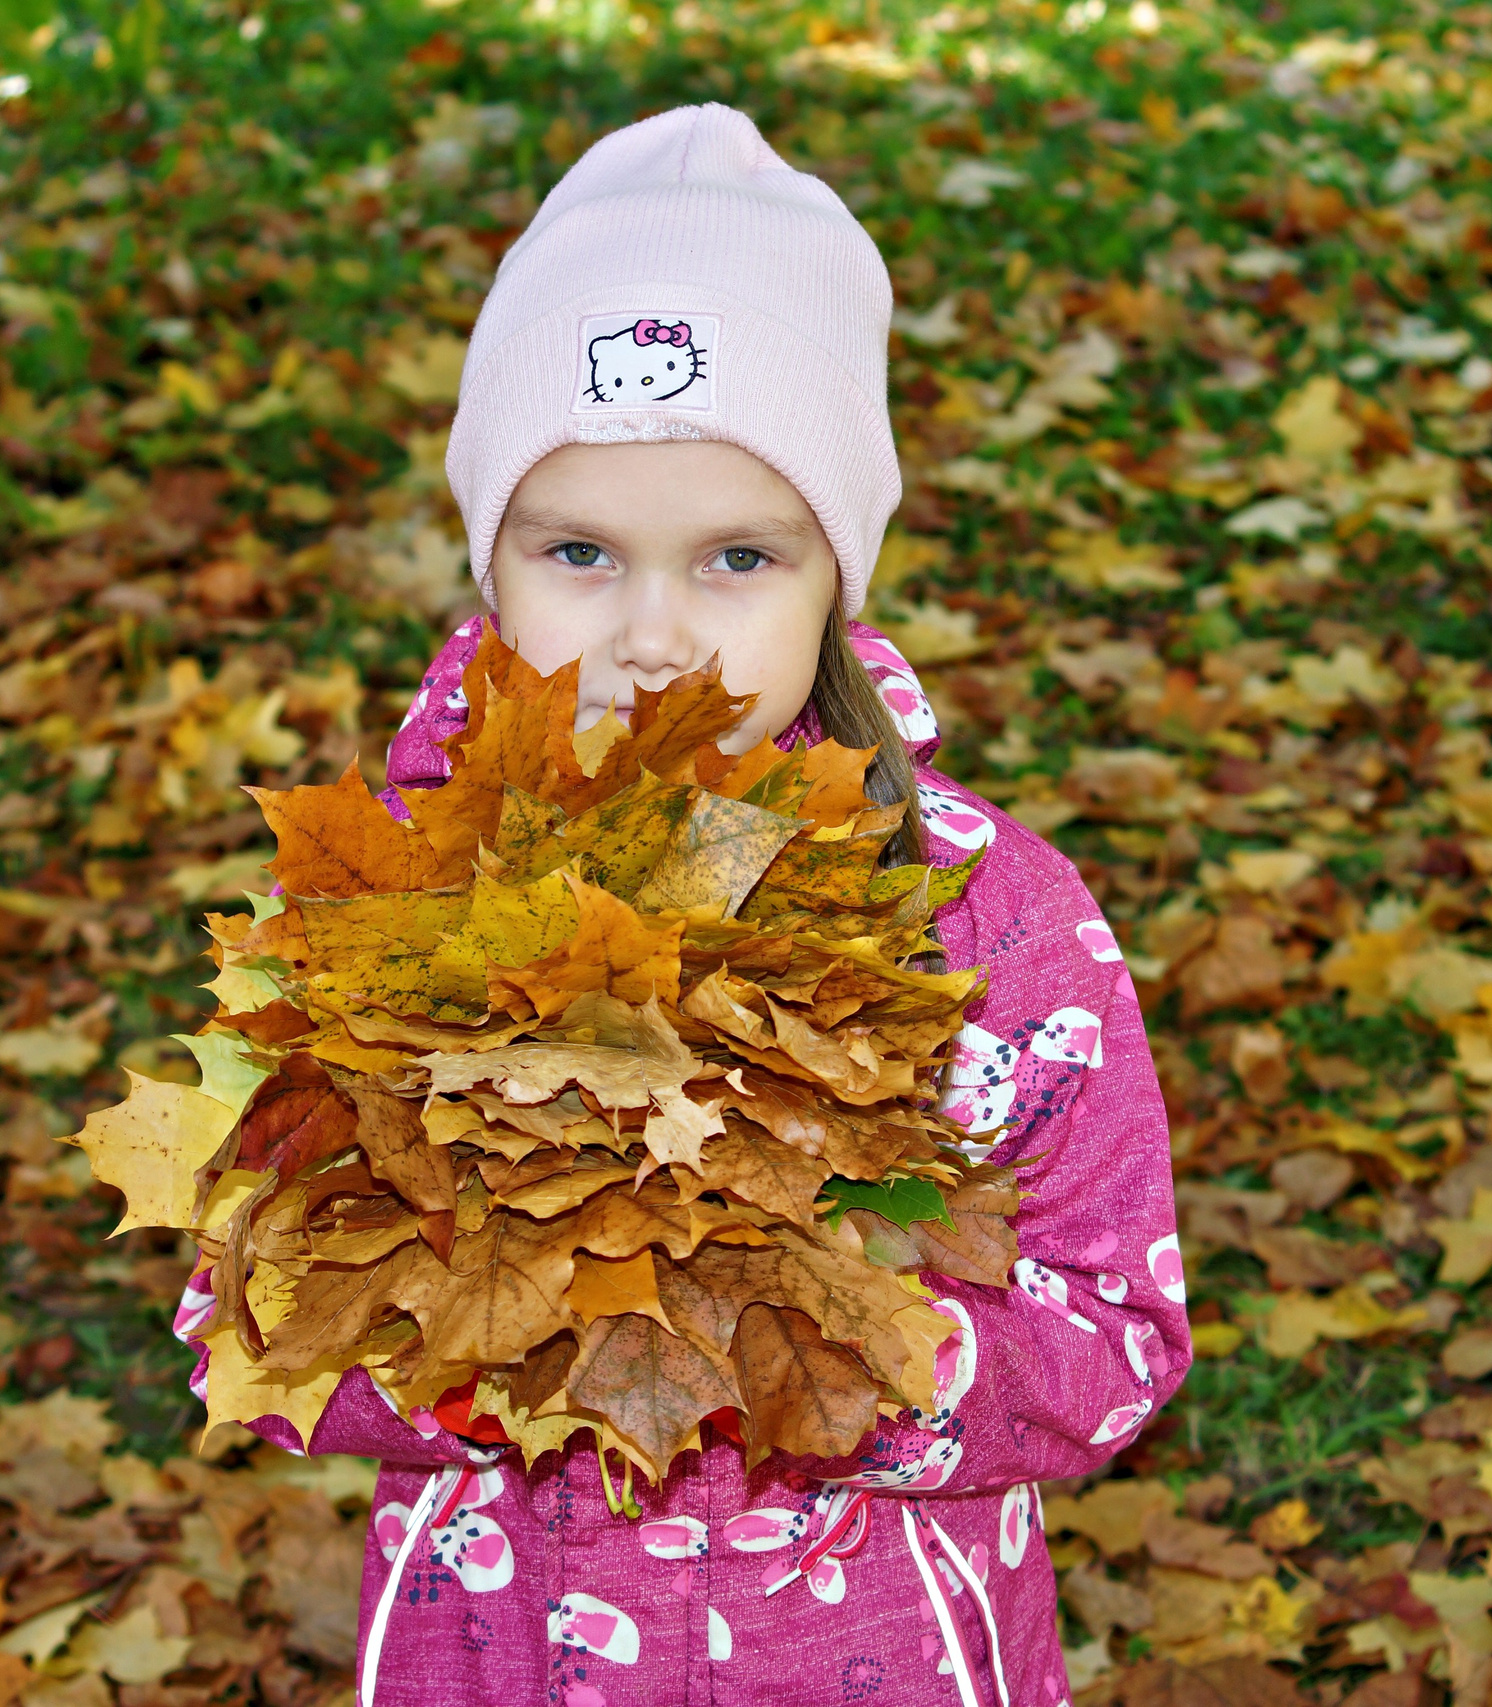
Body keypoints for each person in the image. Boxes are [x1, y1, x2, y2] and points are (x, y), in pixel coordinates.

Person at [171, 103, 1189, 1707]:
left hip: (865, 1661)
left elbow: (1116, 1346)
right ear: (487, 562)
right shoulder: (394, 894)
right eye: (580, 551)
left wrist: (811, 1346)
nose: (655, 636)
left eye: (736, 560)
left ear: (834, 577)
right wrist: (501, 1341)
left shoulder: (987, 924)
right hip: (493, 1655)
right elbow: (236, 1311)